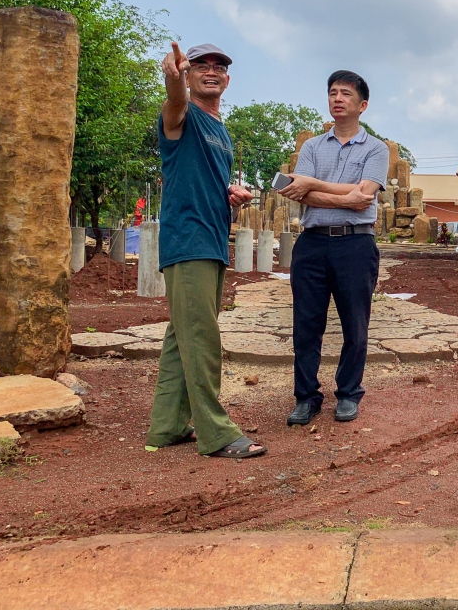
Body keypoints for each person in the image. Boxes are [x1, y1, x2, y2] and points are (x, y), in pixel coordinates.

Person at [145, 41, 266, 459]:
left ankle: (167, 426)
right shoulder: (183, 115)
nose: (211, 71)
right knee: (202, 338)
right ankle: (216, 433)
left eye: (219, 66)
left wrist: (230, 194)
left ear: (227, 80)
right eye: (200, 66)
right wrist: (172, 79)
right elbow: (174, 104)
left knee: (183, 335)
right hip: (188, 240)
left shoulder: (220, 130)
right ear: (189, 75)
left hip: (212, 240)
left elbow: (200, 178)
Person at [280, 70, 388, 425]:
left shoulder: (376, 149)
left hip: (355, 244)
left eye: (345, 93)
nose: (337, 98)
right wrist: (346, 194)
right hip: (311, 245)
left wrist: (313, 186)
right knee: (305, 325)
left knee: (355, 325)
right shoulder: (311, 147)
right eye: (332, 92)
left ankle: (348, 393)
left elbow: (367, 196)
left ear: (363, 105)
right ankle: (306, 396)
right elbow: (301, 192)